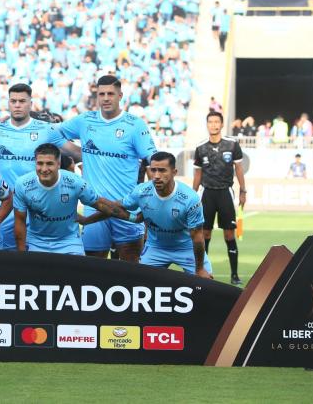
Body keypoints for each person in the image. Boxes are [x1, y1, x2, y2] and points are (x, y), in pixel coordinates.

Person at [0, 83, 81, 249]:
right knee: (8, 257)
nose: (17, 105)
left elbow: (77, 153)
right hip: (8, 206)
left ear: (30, 103)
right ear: (8, 103)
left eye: (22, 101)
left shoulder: (46, 130)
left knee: (41, 258)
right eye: (13, 101)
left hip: (40, 206)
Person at [59, 75, 157, 260]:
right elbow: (53, 133)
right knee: (94, 268)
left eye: (110, 94)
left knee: (132, 266)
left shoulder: (135, 125)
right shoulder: (84, 121)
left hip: (126, 205)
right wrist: (77, 151)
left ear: (120, 95)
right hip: (94, 206)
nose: (105, 98)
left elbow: (152, 159)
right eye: (101, 94)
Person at [14, 143, 118, 255]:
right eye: (40, 163)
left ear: (58, 164)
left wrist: (132, 218)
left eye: (49, 164)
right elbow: (20, 221)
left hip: (69, 241)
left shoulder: (76, 182)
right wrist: (22, 254)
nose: (44, 169)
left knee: (76, 272)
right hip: (36, 240)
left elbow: (107, 208)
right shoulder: (22, 184)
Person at [120, 152, 212, 278]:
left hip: (185, 248)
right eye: (153, 170)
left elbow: (197, 236)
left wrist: (200, 269)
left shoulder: (190, 198)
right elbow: (118, 207)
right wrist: (91, 212)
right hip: (156, 247)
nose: (156, 175)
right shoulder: (141, 191)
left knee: (207, 285)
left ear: (174, 172)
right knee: (141, 284)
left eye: (162, 170)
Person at [192, 111, 246, 285]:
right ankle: (203, 270)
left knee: (229, 235)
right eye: (210, 122)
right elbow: (198, 174)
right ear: (207, 125)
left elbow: (238, 169)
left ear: (222, 125)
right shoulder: (200, 148)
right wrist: (193, 197)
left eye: (217, 122)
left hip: (225, 193)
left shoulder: (232, 145)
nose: (214, 125)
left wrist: (243, 191)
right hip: (207, 193)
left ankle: (234, 274)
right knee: (204, 234)